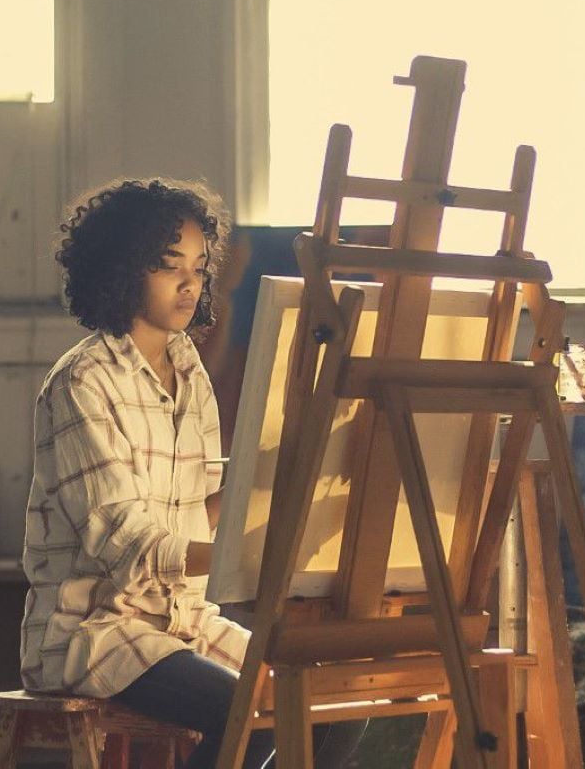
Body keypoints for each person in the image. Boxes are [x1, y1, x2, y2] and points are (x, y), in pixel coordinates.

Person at [20, 178, 365, 769]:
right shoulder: (84, 381)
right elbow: (124, 544)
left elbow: (202, 508)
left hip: (185, 622)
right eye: (167, 265)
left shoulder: (189, 372)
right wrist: (249, 556)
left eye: (201, 267)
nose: (189, 283)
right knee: (247, 711)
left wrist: (271, 484)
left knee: (338, 702)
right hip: (98, 631)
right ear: (123, 268)